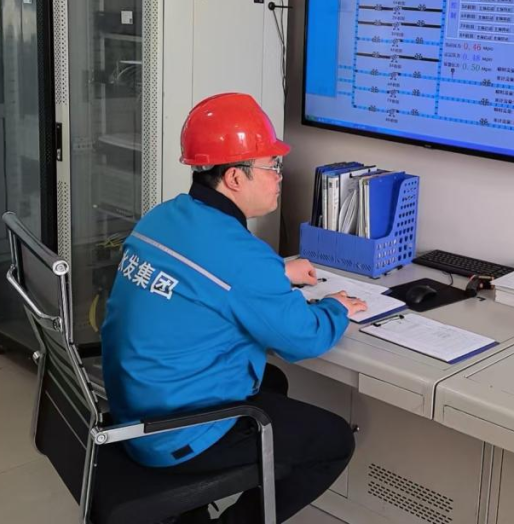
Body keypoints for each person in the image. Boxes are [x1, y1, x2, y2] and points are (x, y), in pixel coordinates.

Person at [101, 92, 367, 523]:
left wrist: (277, 272)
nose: (279, 177)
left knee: (272, 381)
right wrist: (336, 307)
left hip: (134, 408)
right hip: (172, 433)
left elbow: (207, 277)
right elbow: (304, 338)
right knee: (334, 441)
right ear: (234, 178)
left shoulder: (163, 217)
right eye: (272, 166)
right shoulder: (243, 258)